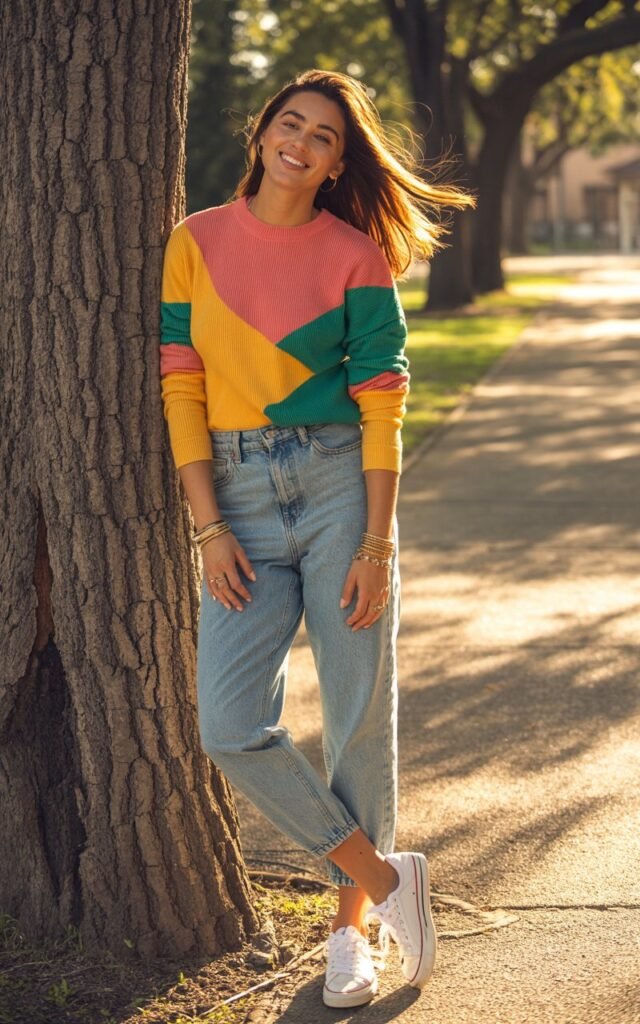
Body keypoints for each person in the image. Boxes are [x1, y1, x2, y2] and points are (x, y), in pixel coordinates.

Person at [159, 68, 473, 1008]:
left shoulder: (355, 255)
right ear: (260, 134)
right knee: (228, 727)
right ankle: (388, 880)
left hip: (341, 488)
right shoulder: (194, 241)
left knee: (355, 719)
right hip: (238, 498)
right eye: (288, 123)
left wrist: (375, 543)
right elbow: (182, 380)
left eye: (324, 136)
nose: (300, 141)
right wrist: (208, 524)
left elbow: (385, 397)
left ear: (338, 164)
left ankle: (351, 939)